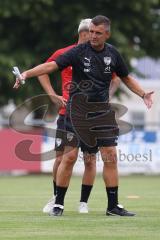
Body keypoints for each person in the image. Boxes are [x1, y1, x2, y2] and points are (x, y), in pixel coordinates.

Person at [13, 15, 153, 217]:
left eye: (97, 33)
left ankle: (112, 206)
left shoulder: (113, 54)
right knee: (68, 158)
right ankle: (58, 204)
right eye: (91, 32)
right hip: (76, 112)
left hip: (102, 112)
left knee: (110, 158)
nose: (93, 36)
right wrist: (26, 74)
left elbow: (125, 77)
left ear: (107, 34)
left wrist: (142, 94)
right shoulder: (78, 52)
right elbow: (50, 66)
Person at [37, 18, 120, 214]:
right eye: (86, 35)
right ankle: (57, 199)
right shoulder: (66, 53)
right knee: (63, 158)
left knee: (90, 159)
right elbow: (43, 70)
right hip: (67, 113)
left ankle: (83, 202)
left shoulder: (101, 55)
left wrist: (106, 97)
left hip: (91, 115)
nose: (89, 39)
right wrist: (51, 94)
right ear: (80, 35)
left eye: (92, 34)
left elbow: (117, 78)